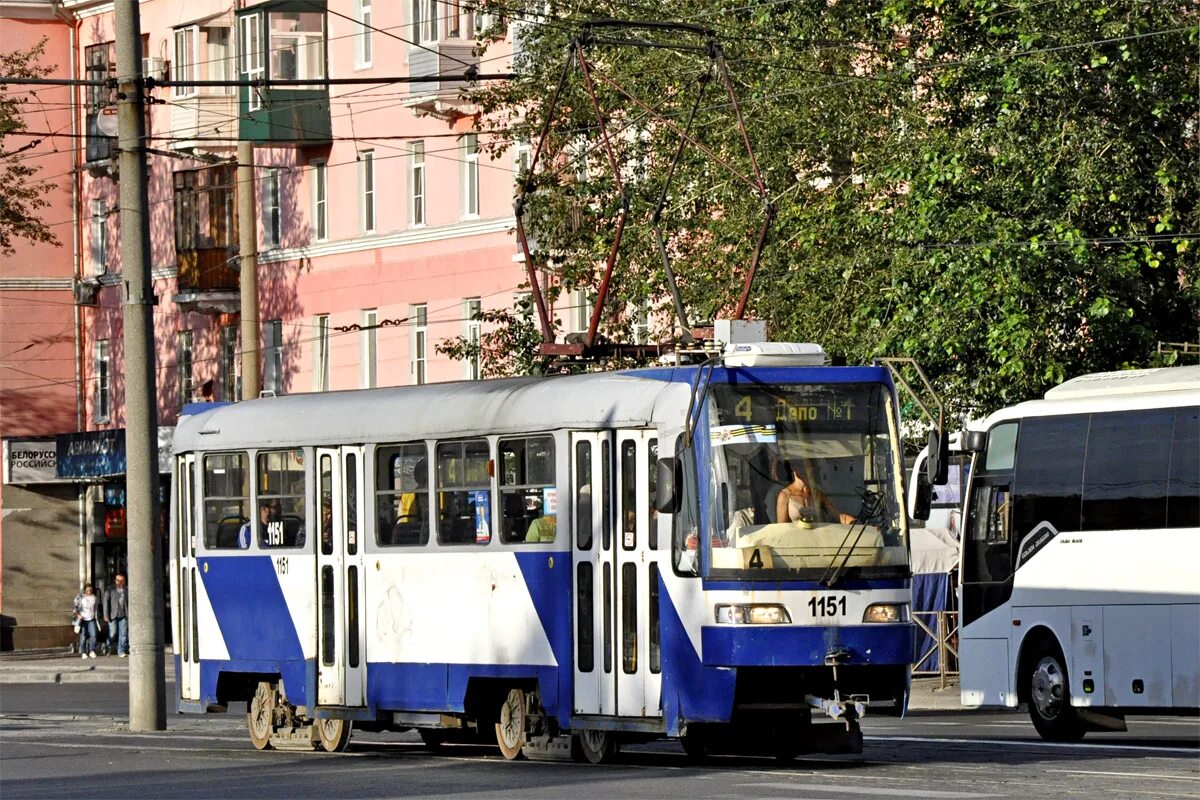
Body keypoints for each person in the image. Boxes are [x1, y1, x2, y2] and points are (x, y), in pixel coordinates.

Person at [775, 459, 855, 526]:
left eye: (811, 468)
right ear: (795, 470)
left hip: (817, 542)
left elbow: (838, 516)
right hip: (796, 543)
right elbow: (781, 529)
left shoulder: (817, 493)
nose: (812, 470)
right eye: (806, 468)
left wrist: (854, 523)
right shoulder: (784, 496)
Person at [101, 573, 129, 657]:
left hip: (123, 614)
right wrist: (105, 615)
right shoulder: (110, 589)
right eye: (118, 580)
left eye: (122, 580)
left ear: (124, 581)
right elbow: (105, 602)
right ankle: (107, 646)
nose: (120, 582)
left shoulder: (126, 590)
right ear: (115, 580)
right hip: (112, 614)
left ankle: (121, 651)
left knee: (123, 633)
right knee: (112, 633)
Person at [73, 583, 99, 659]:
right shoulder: (80, 597)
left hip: (91, 619)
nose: (89, 591)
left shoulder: (95, 597)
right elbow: (75, 607)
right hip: (82, 619)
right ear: (85, 590)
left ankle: (92, 651)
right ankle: (83, 652)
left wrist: (96, 616)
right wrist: (78, 615)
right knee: (83, 636)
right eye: (87, 590)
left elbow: (96, 608)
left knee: (94, 635)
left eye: (90, 590)